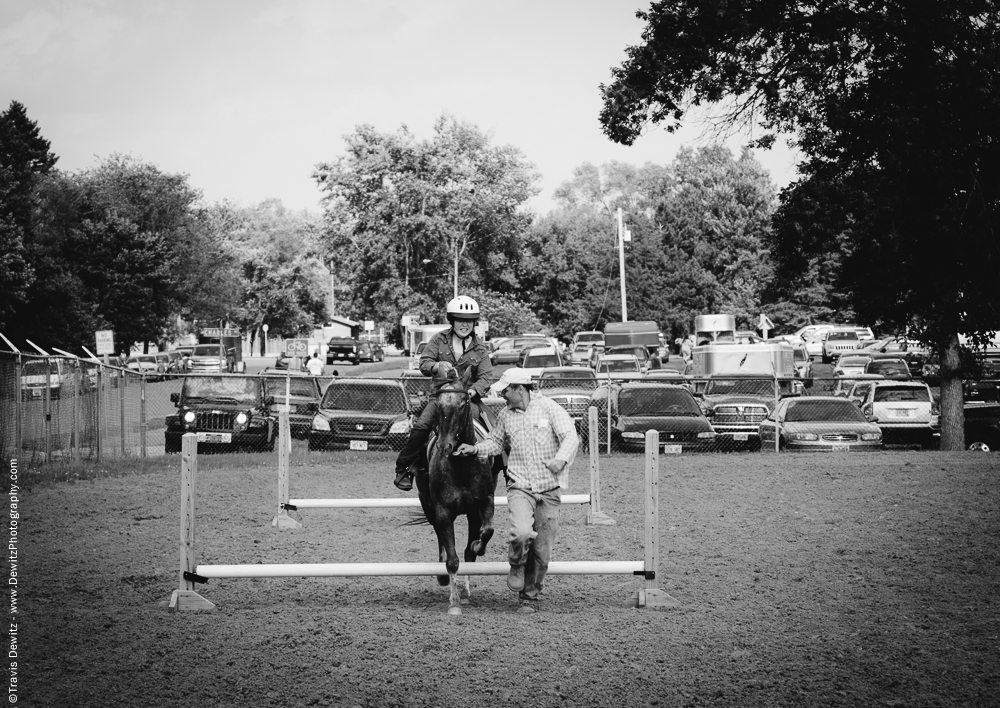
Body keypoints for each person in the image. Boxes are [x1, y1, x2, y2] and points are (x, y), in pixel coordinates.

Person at [455, 367, 579, 614]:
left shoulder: (550, 408)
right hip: (519, 486)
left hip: (549, 489)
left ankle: (529, 597)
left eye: (506, 391)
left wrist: (561, 460)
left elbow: (570, 436)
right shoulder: (505, 415)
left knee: (542, 553)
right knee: (521, 532)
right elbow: (495, 442)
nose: (502, 396)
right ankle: (516, 564)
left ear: (519, 389)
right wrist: (475, 448)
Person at [392, 295, 494, 491]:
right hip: (440, 398)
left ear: (474, 323)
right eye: (460, 320)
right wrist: (436, 365)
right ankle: (405, 468)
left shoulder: (480, 348)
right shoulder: (438, 340)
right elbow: (423, 363)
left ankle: (505, 468)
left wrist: (473, 390)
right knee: (422, 425)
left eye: (469, 321)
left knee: (494, 424)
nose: (465, 325)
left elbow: (486, 377)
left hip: (468, 399)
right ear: (452, 320)